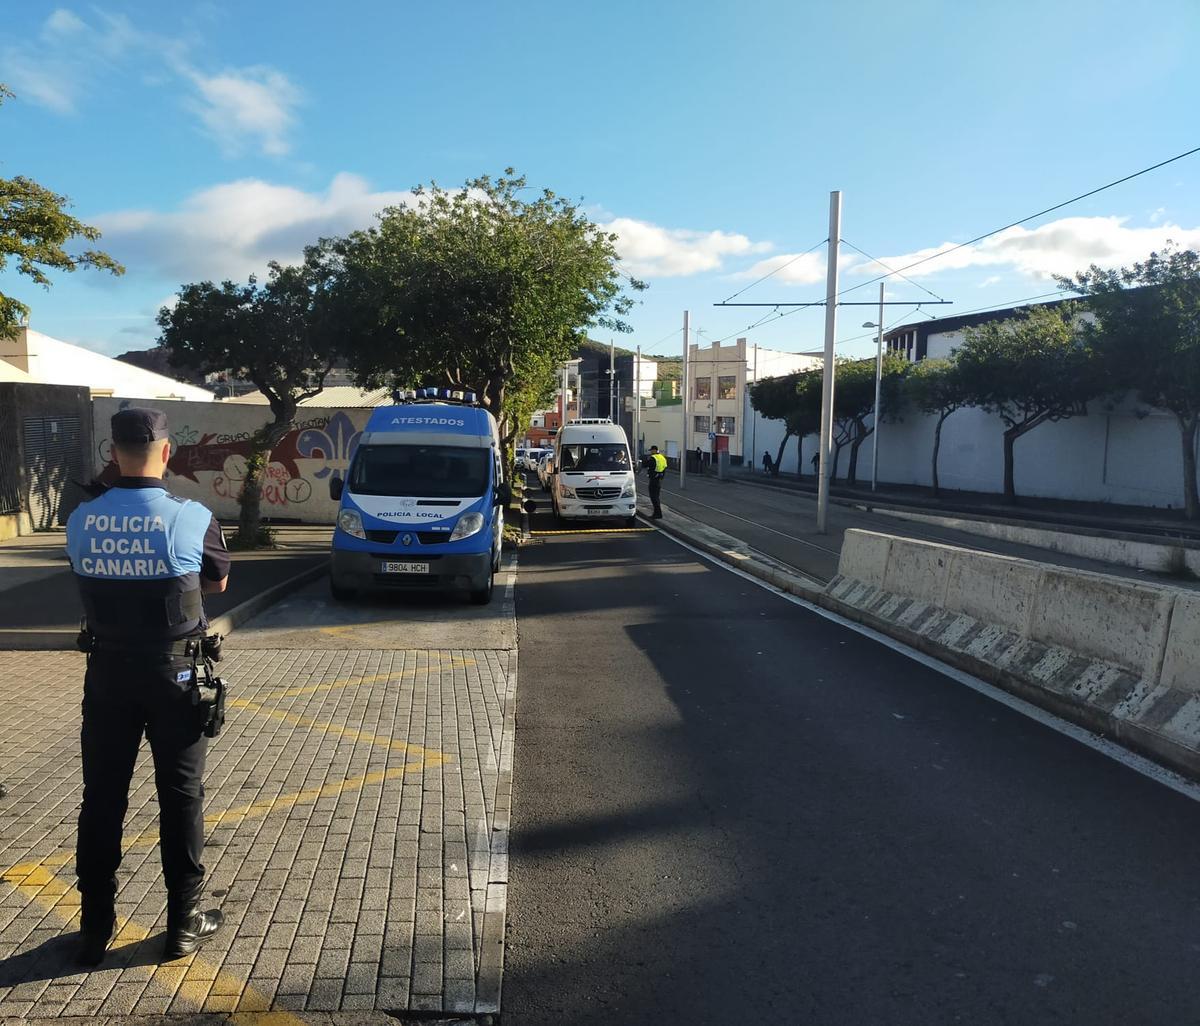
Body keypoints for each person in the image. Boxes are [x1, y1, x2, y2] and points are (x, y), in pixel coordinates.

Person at [66, 408, 230, 966]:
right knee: (181, 798)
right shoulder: (194, 515)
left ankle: (94, 928)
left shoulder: (80, 516)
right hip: (175, 675)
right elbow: (216, 580)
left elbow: (83, 571)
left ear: (112, 452)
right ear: (168, 452)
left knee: (102, 797)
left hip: (108, 674)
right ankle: (183, 924)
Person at [645, 445, 668, 519]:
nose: (651, 452)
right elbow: (664, 468)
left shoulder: (653, 458)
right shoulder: (662, 457)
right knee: (657, 497)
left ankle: (657, 514)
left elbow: (648, 466)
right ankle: (657, 513)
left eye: (651, 450)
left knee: (653, 497)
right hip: (659, 479)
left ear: (655, 450)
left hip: (653, 479)